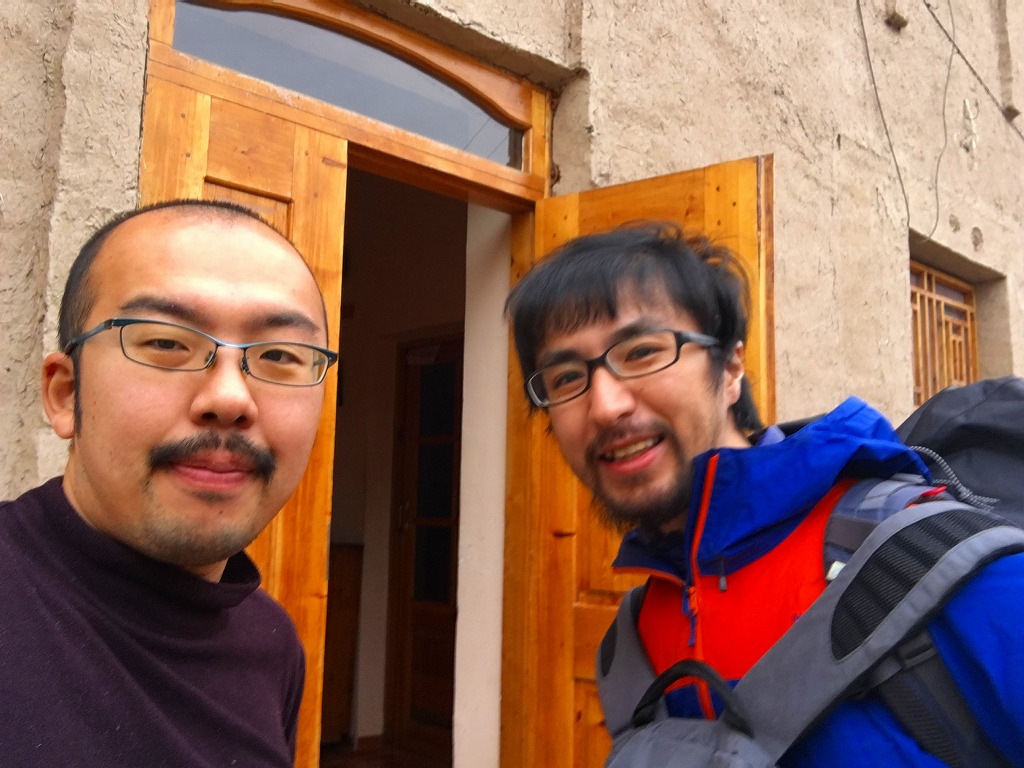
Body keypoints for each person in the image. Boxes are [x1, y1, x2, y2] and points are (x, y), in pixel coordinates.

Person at [504, 222, 1024, 765]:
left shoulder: (931, 563)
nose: (605, 405)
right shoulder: (631, 642)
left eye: (641, 352)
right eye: (566, 379)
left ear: (730, 369)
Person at [0, 200, 338, 767]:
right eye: (165, 343)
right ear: (65, 393)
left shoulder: (272, 644)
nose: (229, 398)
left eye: (280, 354)